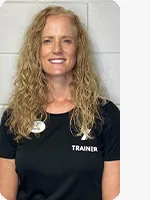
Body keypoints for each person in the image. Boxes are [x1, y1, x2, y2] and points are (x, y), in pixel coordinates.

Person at [0, 5, 120, 200]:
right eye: (47, 41)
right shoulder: (14, 117)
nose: (57, 49)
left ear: (78, 48)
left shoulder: (107, 115)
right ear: (36, 50)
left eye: (66, 41)